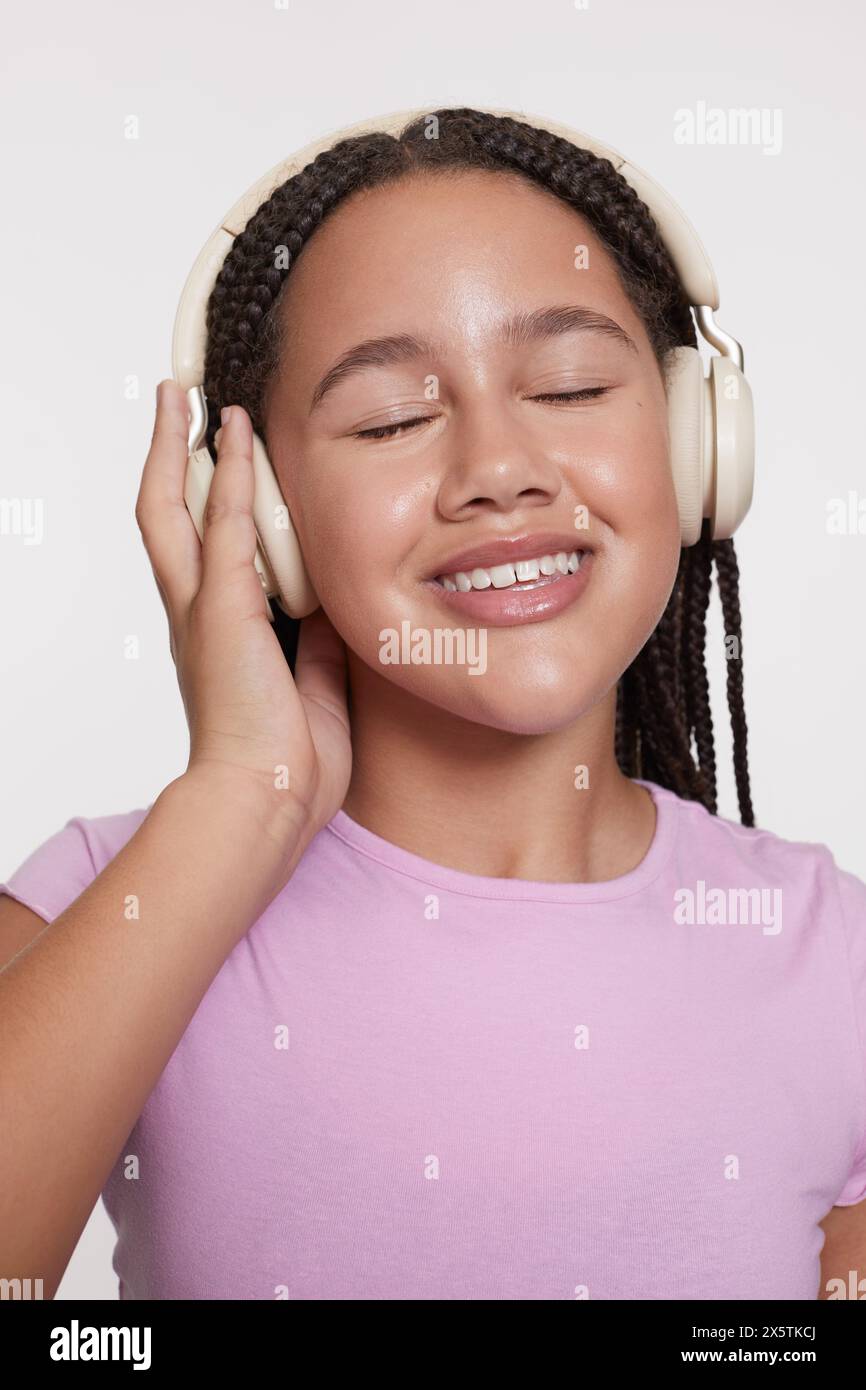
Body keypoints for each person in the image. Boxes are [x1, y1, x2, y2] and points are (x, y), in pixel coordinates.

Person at [1, 108, 865, 1301]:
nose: (498, 470)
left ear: (693, 438)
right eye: (393, 418)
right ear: (263, 516)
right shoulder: (115, 900)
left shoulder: (837, 961)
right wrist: (239, 802)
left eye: (566, 385)